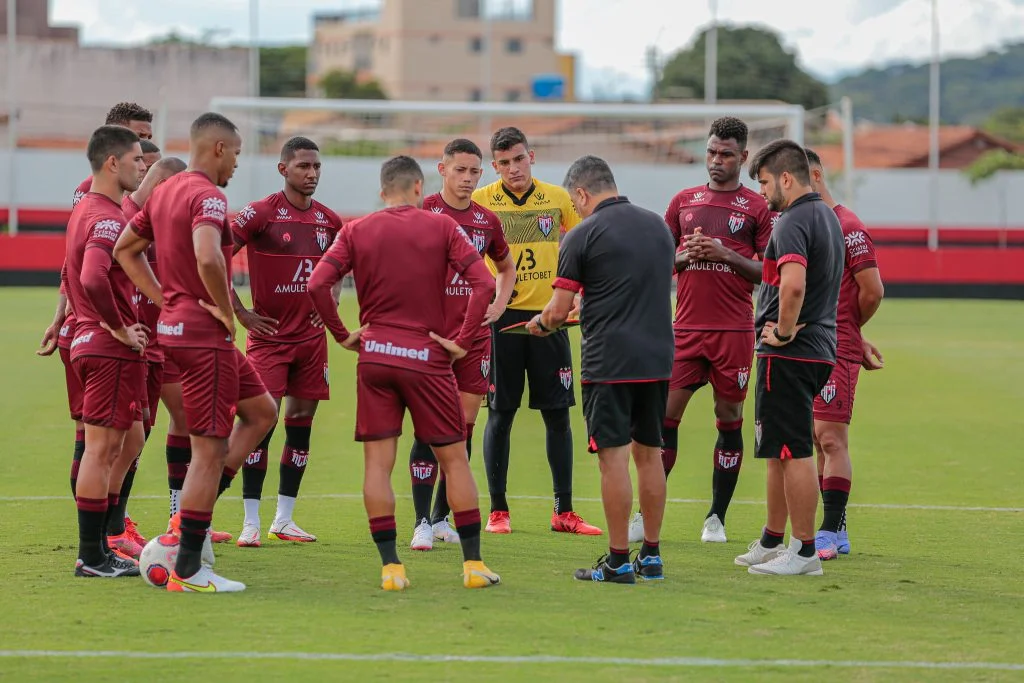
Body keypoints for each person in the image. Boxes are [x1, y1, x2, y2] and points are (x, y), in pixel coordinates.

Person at [307, 155, 501, 591]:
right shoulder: (442, 226)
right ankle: (472, 566)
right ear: (419, 188)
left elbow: (317, 284)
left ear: (382, 191)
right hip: (427, 356)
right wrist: (464, 340)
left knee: (378, 465)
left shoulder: (356, 230)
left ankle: (392, 568)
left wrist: (342, 335)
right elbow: (484, 284)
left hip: (375, 355)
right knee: (453, 460)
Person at [114, 112, 278, 593]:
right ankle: (188, 565)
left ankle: (191, 526)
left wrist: (166, 297)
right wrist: (227, 311)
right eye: (238, 155)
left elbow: (127, 248)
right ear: (219, 149)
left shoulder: (164, 191)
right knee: (207, 451)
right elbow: (208, 255)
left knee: (262, 412)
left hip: (181, 331)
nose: (235, 167)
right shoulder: (207, 194)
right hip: (204, 337)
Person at [527, 156, 674, 584]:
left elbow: (555, 312)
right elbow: (627, 288)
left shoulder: (582, 234)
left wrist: (541, 324)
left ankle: (617, 560)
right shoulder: (658, 227)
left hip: (609, 362)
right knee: (650, 456)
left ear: (580, 194)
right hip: (658, 357)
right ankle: (651, 554)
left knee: (613, 461)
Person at [630, 117, 774, 545]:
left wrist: (725, 254)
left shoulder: (758, 208)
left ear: (743, 158)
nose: (716, 160)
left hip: (733, 332)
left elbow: (769, 273)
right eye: (711, 152)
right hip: (685, 330)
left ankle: (716, 517)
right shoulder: (682, 202)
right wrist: (682, 257)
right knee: (662, 421)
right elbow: (657, 264)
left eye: (726, 154)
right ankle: (644, 514)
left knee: (729, 420)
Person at [472, 126, 601, 536]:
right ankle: (498, 511)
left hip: (551, 319)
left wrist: (581, 291)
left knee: (557, 416)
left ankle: (563, 510)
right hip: (501, 321)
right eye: (505, 163)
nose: (514, 169)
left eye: (519, 159)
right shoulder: (481, 201)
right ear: (494, 166)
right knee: (500, 414)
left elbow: (587, 240)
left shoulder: (558, 199)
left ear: (533, 155)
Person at [38, 101, 155, 527]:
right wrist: (116, 326)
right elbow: (87, 271)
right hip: (103, 334)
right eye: (139, 144)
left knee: (128, 435)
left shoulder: (108, 202)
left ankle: (107, 532)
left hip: (105, 329)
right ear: (114, 150)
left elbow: (78, 262)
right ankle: (98, 541)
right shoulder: (99, 203)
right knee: (99, 441)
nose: (145, 155)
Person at [734, 139, 843, 576]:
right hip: (818, 348)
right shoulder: (827, 217)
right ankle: (774, 539)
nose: (761, 191)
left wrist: (780, 332)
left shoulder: (793, 220)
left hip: (792, 353)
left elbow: (793, 286)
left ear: (785, 178)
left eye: (763, 182)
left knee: (793, 450)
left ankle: (803, 552)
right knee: (779, 449)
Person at [231, 136, 344, 547]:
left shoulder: (330, 221)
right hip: (269, 341)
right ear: (283, 169)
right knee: (260, 424)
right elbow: (210, 253)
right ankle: (250, 520)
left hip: (312, 342)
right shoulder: (259, 214)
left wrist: (329, 300)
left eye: (316, 166)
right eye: (303, 166)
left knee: (300, 426)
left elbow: (341, 268)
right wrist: (240, 313)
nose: (311, 173)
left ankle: (284, 518)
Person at [407, 138, 515, 551]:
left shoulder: (487, 221)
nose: (468, 179)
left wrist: (499, 304)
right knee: (427, 428)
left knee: (461, 429)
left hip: (473, 340)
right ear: (442, 169)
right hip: (430, 339)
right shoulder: (424, 212)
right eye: (460, 170)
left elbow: (504, 268)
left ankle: (440, 518)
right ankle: (419, 522)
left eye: (475, 171)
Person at [63, 125, 148, 577]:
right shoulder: (108, 218)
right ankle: (92, 555)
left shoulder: (87, 209)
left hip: (88, 341)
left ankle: (99, 548)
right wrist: (117, 328)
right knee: (101, 450)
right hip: (105, 347)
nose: (142, 166)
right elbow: (95, 277)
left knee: (118, 444)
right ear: (112, 162)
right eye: (137, 159)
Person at [805, 149, 885, 560]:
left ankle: (827, 530)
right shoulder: (803, 223)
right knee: (816, 440)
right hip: (808, 345)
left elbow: (873, 291)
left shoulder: (848, 226)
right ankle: (837, 525)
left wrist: (853, 330)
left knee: (831, 438)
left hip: (836, 346)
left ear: (815, 176)